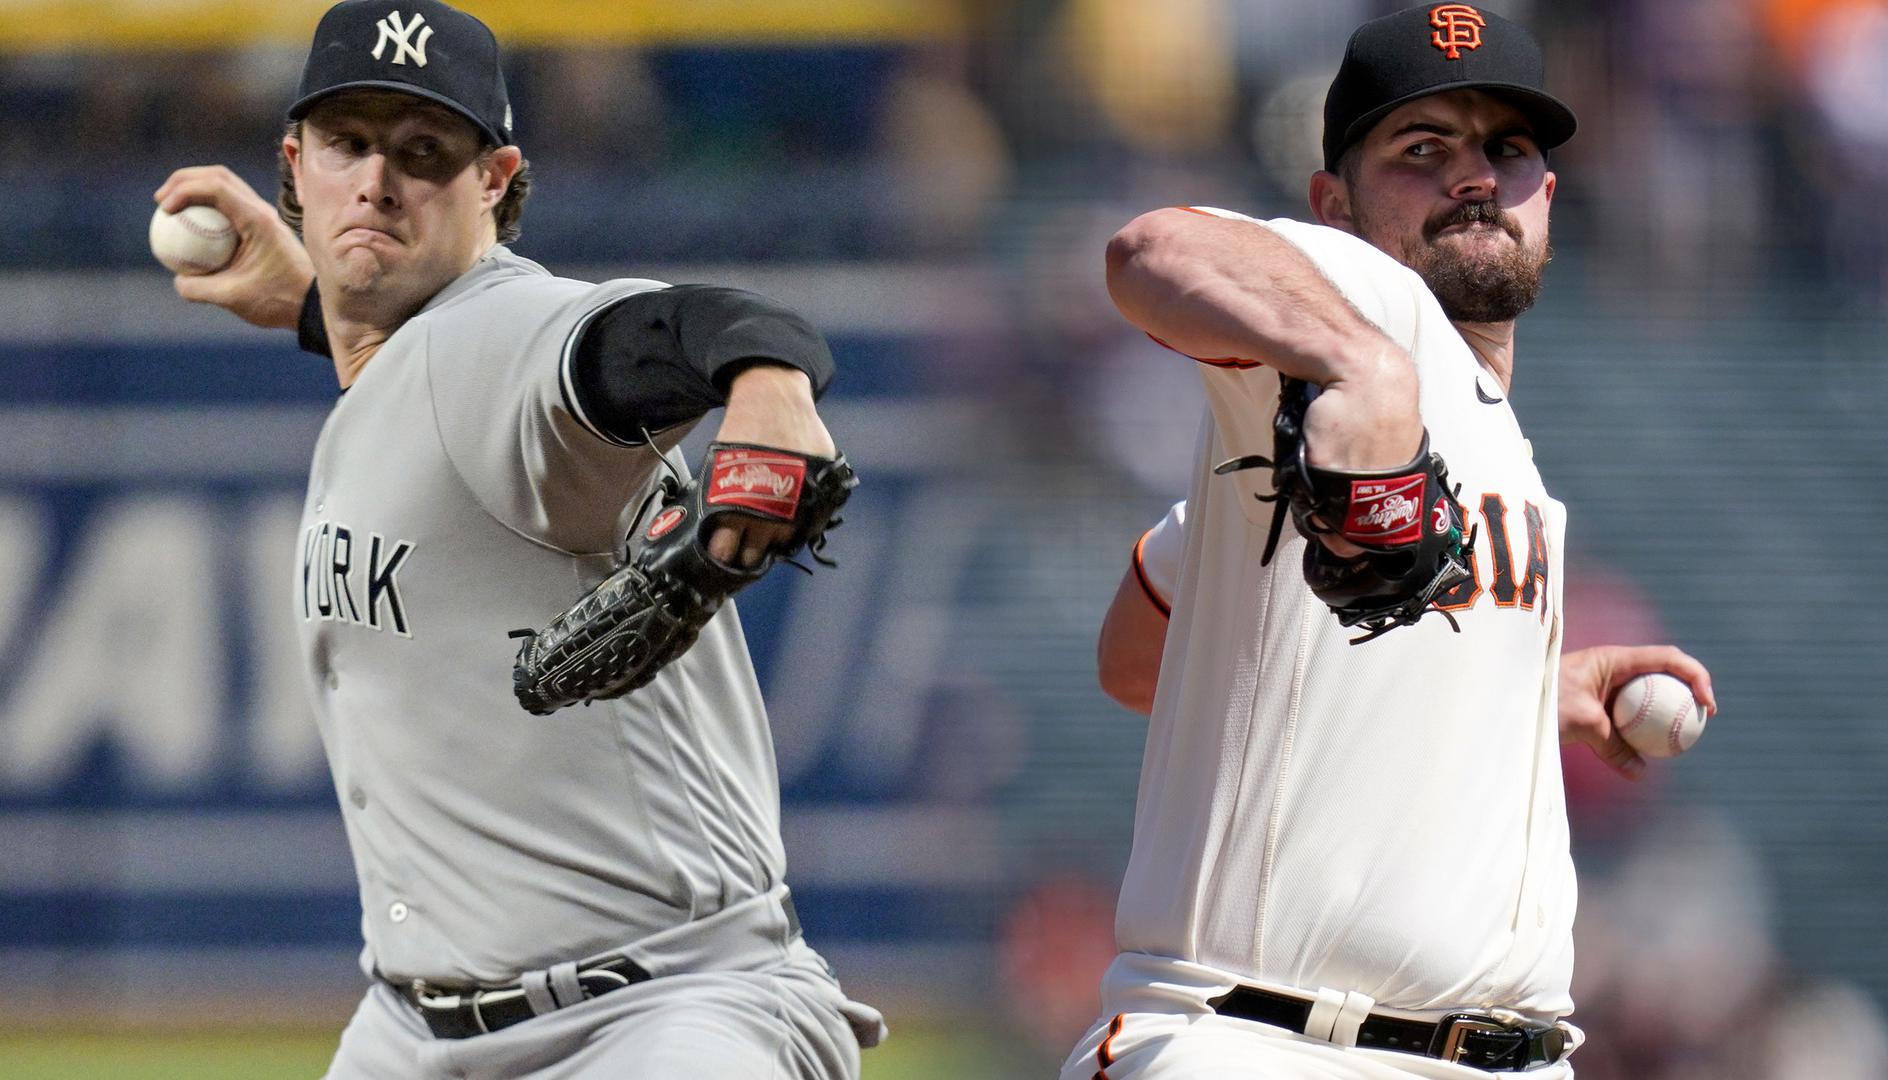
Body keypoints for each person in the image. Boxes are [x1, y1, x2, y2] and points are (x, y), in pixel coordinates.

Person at [152, 2, 883, 1076]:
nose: (378, 182)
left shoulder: (503, 336)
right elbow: (411, 380)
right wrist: (321, 307)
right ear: (293, 165)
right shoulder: (400, 363)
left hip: (664, 1015)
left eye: (422, 153)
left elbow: (671, 330)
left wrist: (767, 376)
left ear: (494, 181)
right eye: (349, 145)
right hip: (407, 1032)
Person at [1064, 6, 1717, 1078]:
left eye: (1508, 150)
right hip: (1275, 1042)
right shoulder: (1374, 313)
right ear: (1334, 204)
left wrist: (1516, 685)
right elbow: (1154, 249)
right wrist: (1361, 367)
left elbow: (1138, 662)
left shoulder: (1489, 448)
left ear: (1546, 197)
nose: (1473, 177)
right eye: (1422, 150)